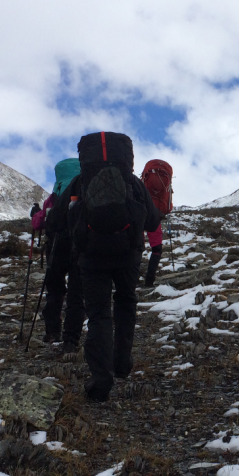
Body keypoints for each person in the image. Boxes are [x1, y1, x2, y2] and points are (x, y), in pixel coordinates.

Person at [74, 133, 161, 402]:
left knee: (99, 314)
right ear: (127, 158)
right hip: (127, 254)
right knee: (125, 303)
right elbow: (153, 221)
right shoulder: (133, 183)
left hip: (92, 256)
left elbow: (57, 223)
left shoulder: (81, 182)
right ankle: (122, 364)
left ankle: (101, 381)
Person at [41, 158, 84, 351]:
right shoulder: (84, 191)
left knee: (55, 291)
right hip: (78, 246)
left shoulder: (53, 197)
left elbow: (41, 223)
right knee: (77, 293)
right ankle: (71, 339)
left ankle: (52, 331)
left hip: (56, 247)